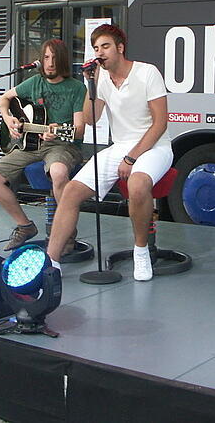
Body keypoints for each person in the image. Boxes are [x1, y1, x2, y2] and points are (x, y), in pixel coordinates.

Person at [46, 24, 172, 281]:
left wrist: (131, 158)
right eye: (95, 48)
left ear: (120, 48)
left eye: (105, 46)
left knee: (137, 184)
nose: (99, 52)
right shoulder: (101, 79)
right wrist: (89, 85)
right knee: (70, 192)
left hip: (155, 146)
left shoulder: (147, 73)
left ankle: (141, 252)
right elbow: (92, 119)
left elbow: (160, 123)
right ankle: (51, 261)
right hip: (120, 146)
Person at [0, 39, 86, 251]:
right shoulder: (34, 82)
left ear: (63, 61)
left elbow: (79, 129)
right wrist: (8, 118)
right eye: (46, 58)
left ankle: (66, 234)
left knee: (58, 172)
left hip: (63, 145)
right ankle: (24, 226)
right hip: (30, 145)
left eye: (54, 58)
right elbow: (4, 98)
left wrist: (57, 130)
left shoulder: (77, 88)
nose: (49, 63)